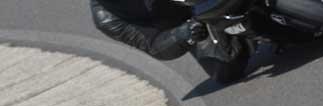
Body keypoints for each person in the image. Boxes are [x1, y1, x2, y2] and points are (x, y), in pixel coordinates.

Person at [90, 0, 249, 83]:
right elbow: (153, 45)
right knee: (227, 68)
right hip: (193, 17)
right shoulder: (107, 19)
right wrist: (182, 34)